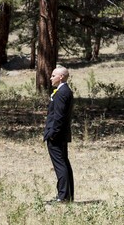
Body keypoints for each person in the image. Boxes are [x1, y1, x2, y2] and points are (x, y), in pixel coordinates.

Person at [43, 65, 74, 203]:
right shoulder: (64, 91)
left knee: (60, 165)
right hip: (60, 134)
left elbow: (59, 117)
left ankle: (63, 197)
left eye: (53, 75)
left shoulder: (62, 93)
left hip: (57, 135)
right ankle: (67, 196)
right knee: (64, 164)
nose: (51, 78)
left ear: (61, 77)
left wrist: (52, 133)